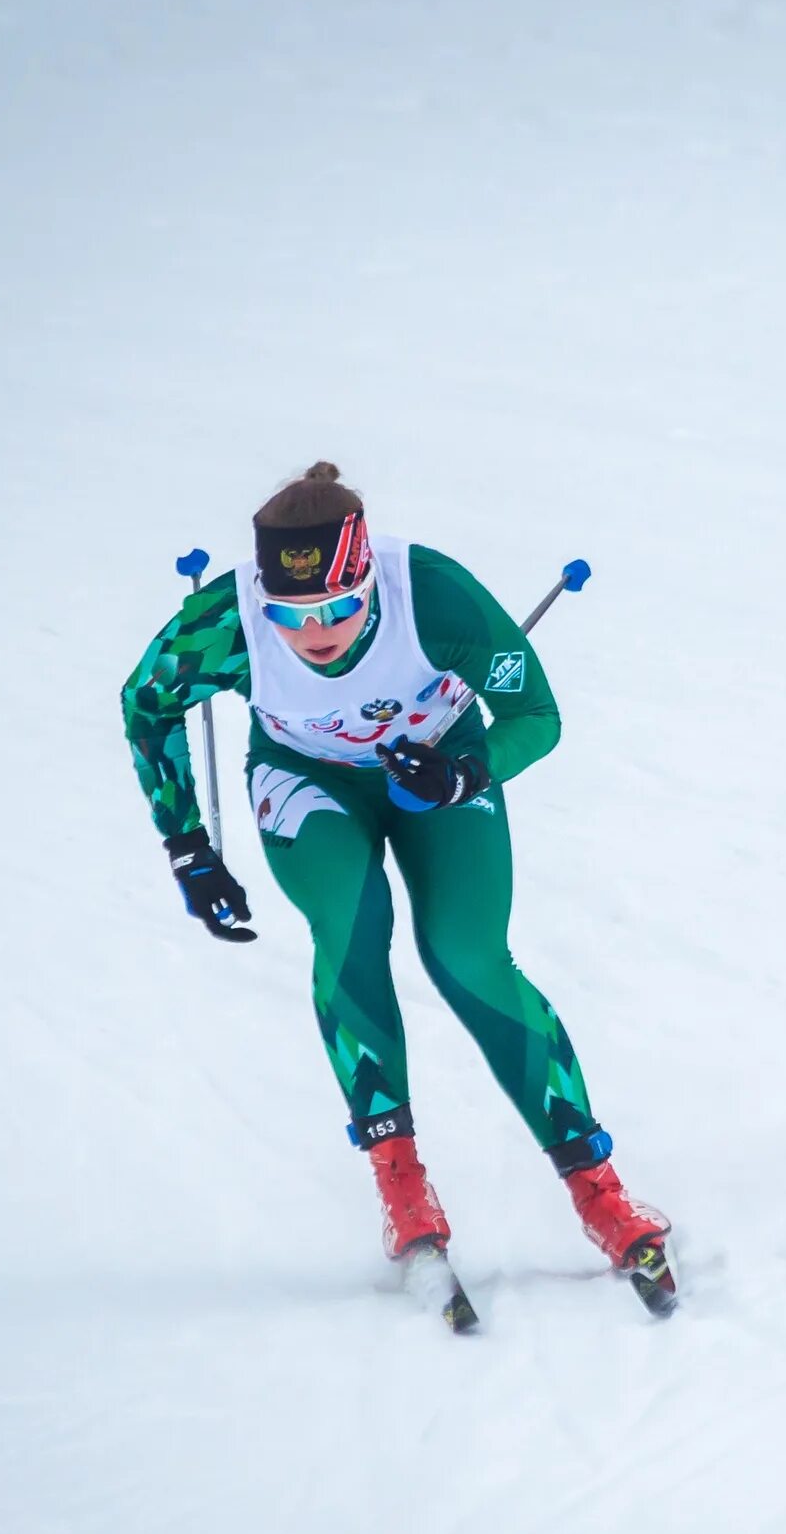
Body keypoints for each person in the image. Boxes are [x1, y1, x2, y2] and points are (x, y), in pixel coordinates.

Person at [120, 463, 676, 1318]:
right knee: (351, 918)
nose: (317, 634)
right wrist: (188, 844)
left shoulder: (435, 596)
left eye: (341, 608)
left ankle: (598, 1188)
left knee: (465, 953)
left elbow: (539, 716)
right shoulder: (228, 622)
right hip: (307, 783)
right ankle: (401, 1184)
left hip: (434, 774)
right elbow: (145, 702)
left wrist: (466, 771)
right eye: (292, 616)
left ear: (369, 575)